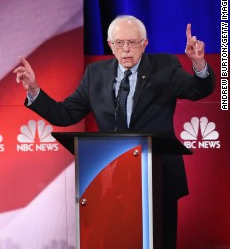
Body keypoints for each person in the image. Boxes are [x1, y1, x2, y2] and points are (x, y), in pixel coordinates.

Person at [13, 15, 215, 248]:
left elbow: (197, 90)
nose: (126, 49)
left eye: (132, 42)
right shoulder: (95, 74)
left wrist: (199, 65)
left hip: (158, 177)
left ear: (144, 43)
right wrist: (35, 91)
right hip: (110, 180)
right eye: (119, 43)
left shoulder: (165, 66)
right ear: (110, 45)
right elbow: (65, 115)